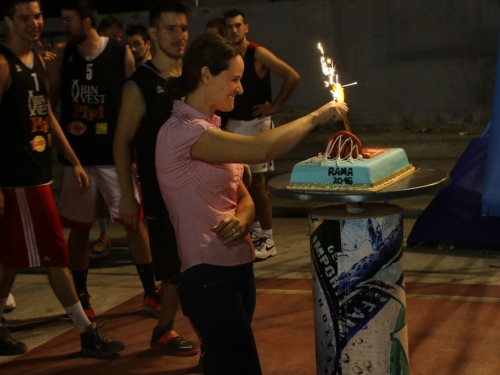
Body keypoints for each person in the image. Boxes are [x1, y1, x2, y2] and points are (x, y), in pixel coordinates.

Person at [155, 33, 348, 375]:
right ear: (205, 75)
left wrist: (243, 220)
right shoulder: (183, 132)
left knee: (221, 366)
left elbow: (244, 197)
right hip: (208, 275)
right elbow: (261, 150)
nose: (240, 89)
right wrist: (317, 116)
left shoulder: (211, 127)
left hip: (238, 269)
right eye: (233, 79)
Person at [0, 0, 124, 357]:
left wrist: (74, 160)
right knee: (56, 254)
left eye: (38, 16)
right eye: (24, 17)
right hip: (18, 179)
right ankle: (86, 332)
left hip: (38, 172)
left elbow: (47, 115)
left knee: (10, 258)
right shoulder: (3, 63)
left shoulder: (37, 60)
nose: (34, 23)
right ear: (8, 20)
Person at [47, 0, 160, 319]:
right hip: (76, 160)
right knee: (80, 228)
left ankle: (151, 292)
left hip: (114, 156)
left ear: (87, 22)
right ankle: (82, 294)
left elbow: (132, 102)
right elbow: (50, 102)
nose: (64, 25)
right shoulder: (61, 55)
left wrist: (134, 152)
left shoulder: (119, 52)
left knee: (134, 224)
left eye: (68, 19)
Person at [113, 0, 198, 356]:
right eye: (170, 29)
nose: (179, 36)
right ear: (152, 33)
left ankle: (166, 329)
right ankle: (176, 332)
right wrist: (128, 196)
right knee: (183, 272)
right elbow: (120, 142)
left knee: (189, 269)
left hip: (196, 190)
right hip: (161, 196)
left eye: (183, 28)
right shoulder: (140, 85)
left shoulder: (192, 77)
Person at [223, 8, 301, 260]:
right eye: (229, 26)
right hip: (233, 124)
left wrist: (275, 105)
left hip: (256, 126)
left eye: (238, 25)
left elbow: (292, 75)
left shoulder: (258, 53)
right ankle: (255, 233)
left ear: (246, 27)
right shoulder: (227, 55)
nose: (234, 30)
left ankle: (267, 238)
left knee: (258, 185)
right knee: (239, 183)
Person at [91, 14, 125, 255]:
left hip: (123, 139)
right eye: (114, 38)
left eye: (120, 38)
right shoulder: (91, 65)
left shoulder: (127, 61)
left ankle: (138, 240)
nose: (118, 42)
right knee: (98, 196)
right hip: (98, 138)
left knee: (130, 196)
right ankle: (104, 234)